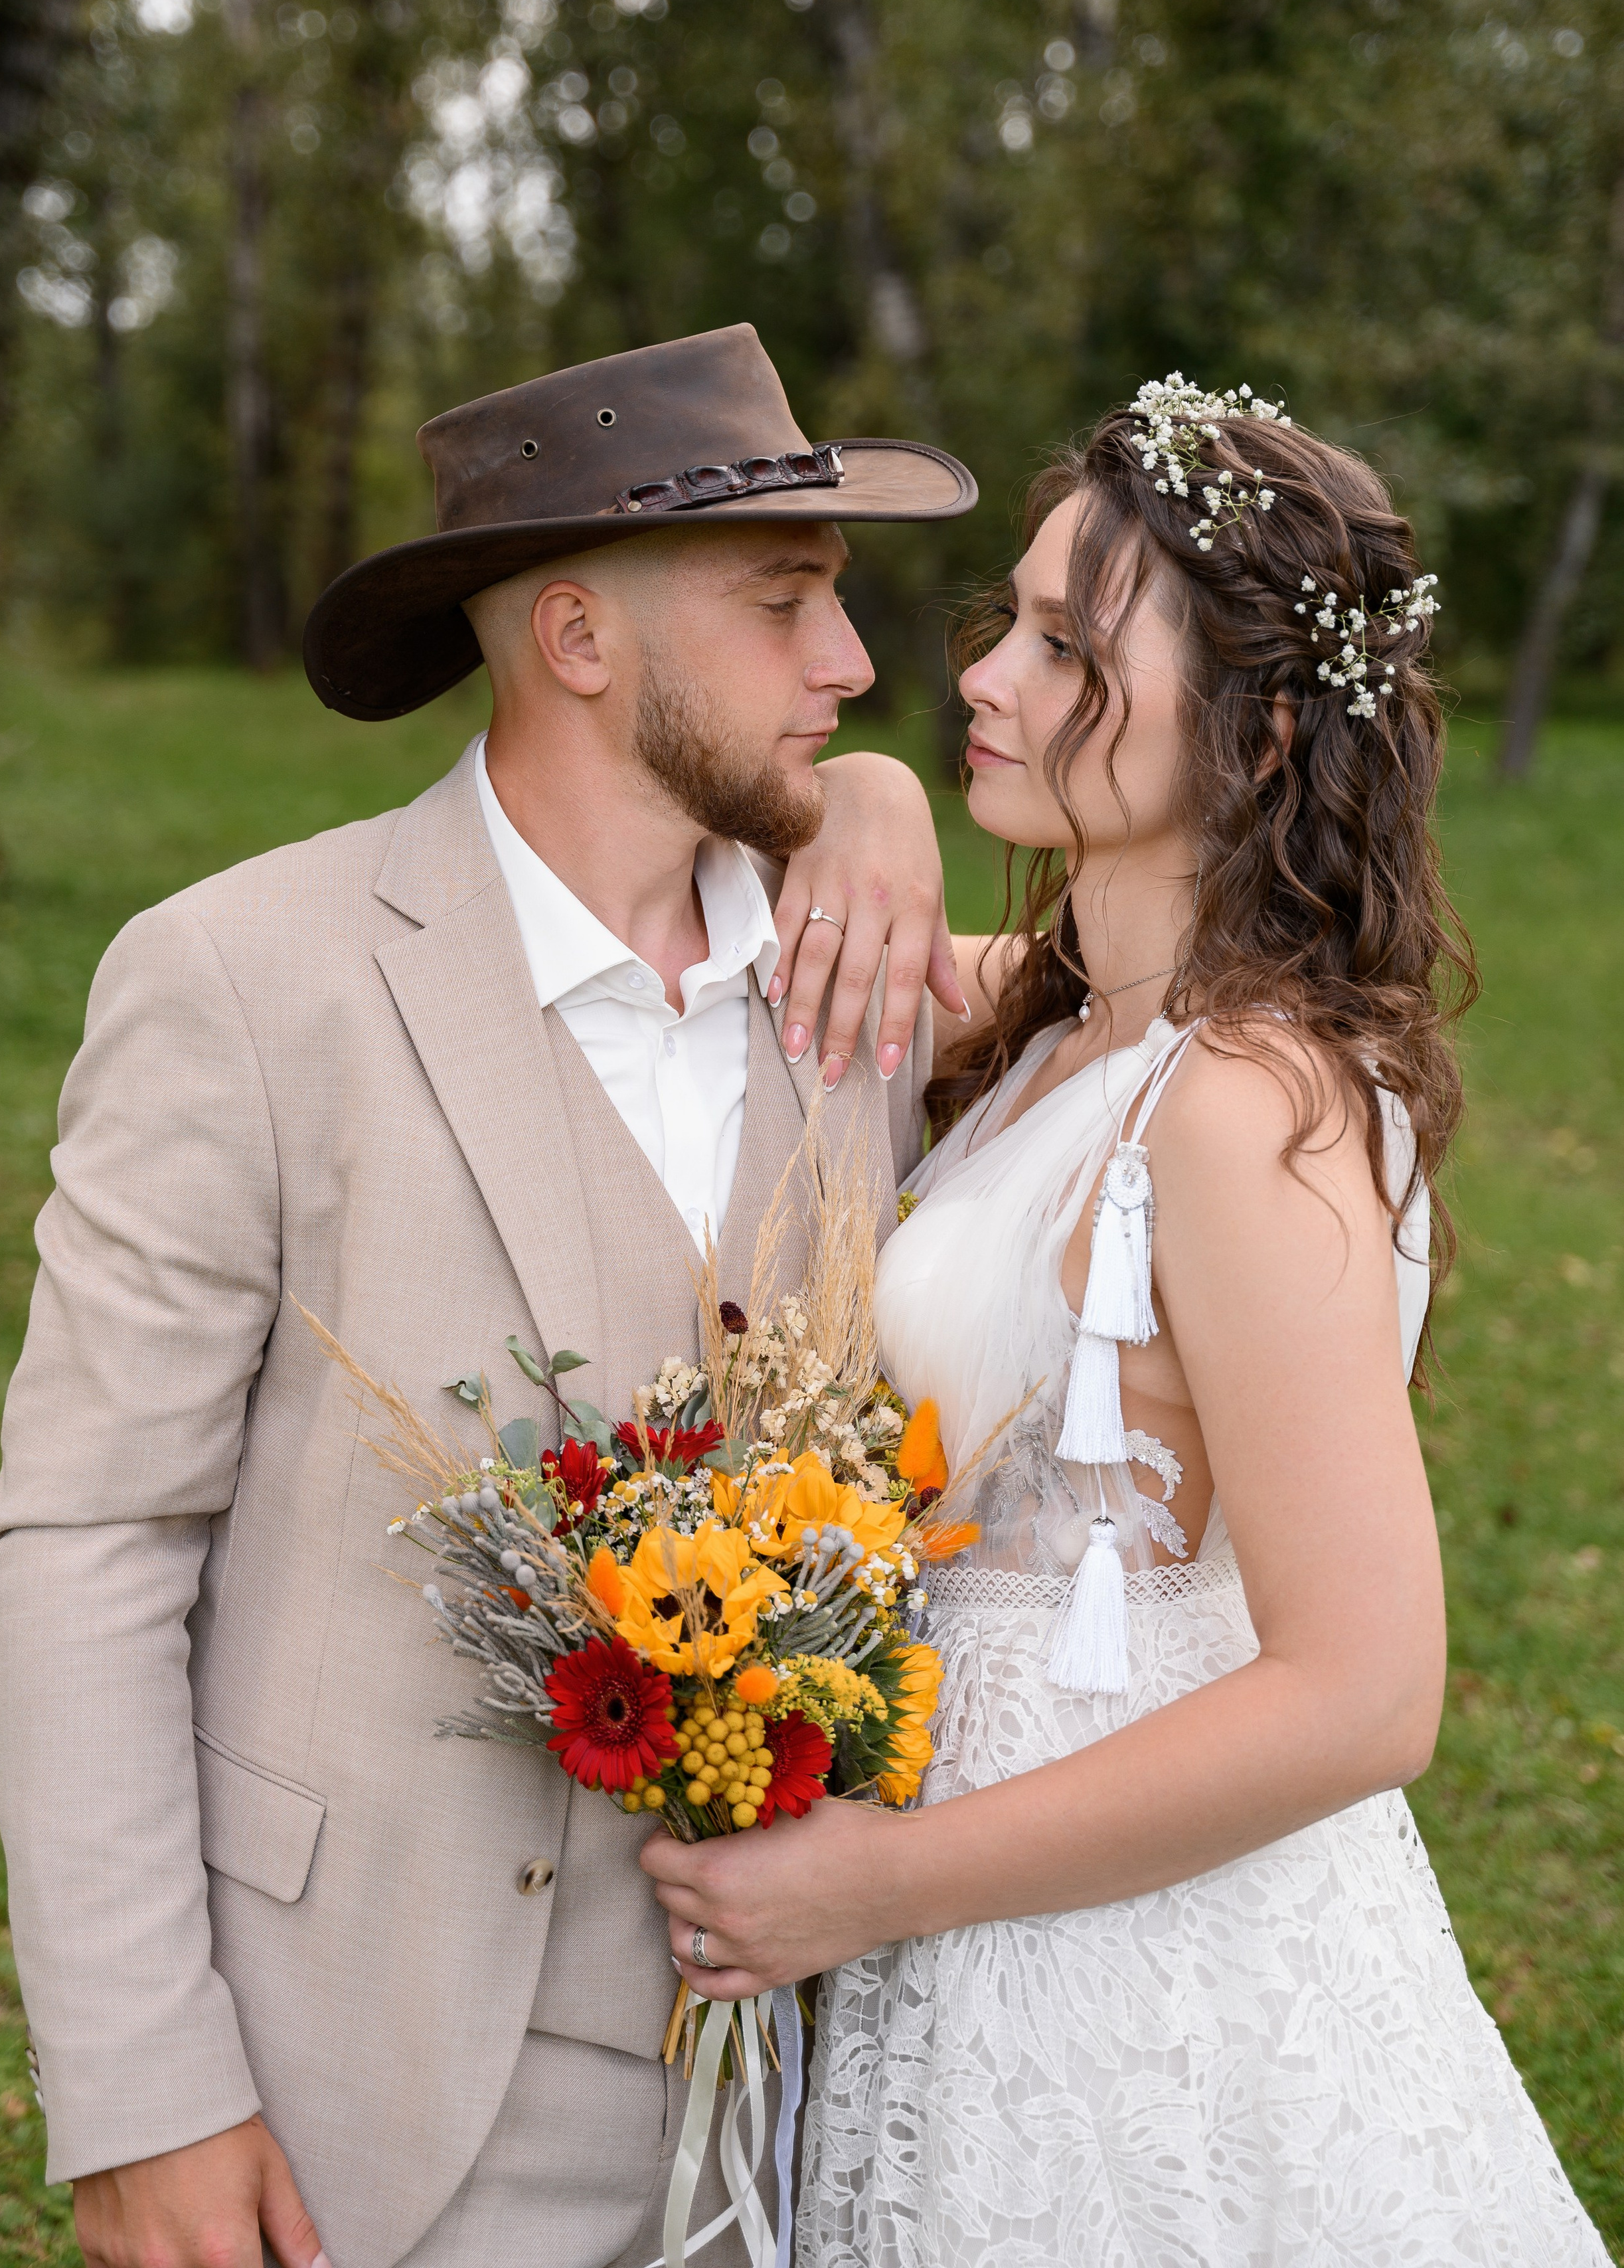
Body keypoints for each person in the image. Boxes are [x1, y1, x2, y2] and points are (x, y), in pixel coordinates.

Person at [0, 323, 981, 2268]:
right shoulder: (245, 982)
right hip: (367, 2081)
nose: (855, 667)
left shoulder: (861, 971)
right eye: (786, 604)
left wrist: (876, 799)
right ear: (580, 640)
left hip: (800, 2098)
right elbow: (92, 1541)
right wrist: (143, 2087)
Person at [645, 378, 1610, 2262]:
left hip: (1130, 1948)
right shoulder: (1068, 1022)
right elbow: (793, 913)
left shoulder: (1245, 1107)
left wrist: (883, 1886)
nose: (983, 679)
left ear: (1259, 734)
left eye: (1067, 650)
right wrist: (870, 795)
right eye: (1005, 623)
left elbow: (1368, 1691)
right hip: (966, 1913)